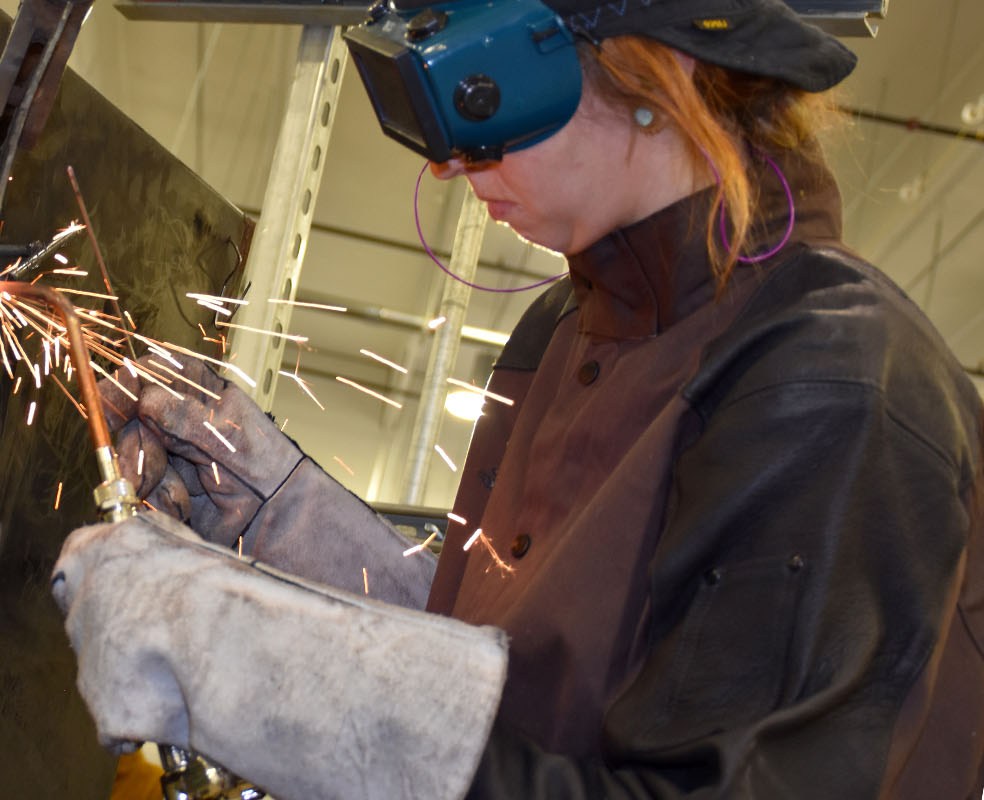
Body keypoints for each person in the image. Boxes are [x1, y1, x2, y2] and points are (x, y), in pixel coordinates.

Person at [48, 0, 984, 797]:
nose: (449, 166)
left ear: (655, 75)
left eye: (479, 97)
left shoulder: (830, 374)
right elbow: (533, 682)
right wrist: (285, 525)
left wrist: (250, 663)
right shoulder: (561, 330)